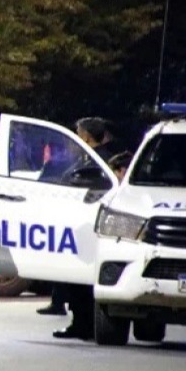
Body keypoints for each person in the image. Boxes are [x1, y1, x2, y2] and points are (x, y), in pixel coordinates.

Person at [49, 117, 125, 339]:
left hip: (88, 225)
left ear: (86, 137)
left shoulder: (96, 160)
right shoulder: (105, 156)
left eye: (78, 132)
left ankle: (82, 324)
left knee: (80, 280)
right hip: (89, 224)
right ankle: (83, 322)